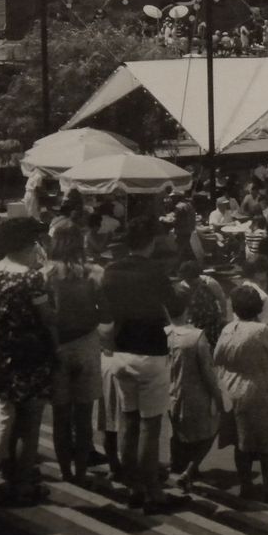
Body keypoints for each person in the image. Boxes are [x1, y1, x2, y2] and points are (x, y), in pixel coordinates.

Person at [101, 216, 182, 512]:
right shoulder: (155, 272)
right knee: (151, 426)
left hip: (120, 353)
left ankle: (133, 486)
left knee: (129, 422)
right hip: (150, 352)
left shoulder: (110, 272)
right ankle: (152, 490)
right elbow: (174, 307)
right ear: (150, 243)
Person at [0, 216, 57, 505]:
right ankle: (23, 483)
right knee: (29, 422)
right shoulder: (31, 277)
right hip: (30, 356)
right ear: (25, 243)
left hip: (1, 353)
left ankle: (9, 475)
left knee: (7, 411)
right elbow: (46, 318)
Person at [42, 217, 106, 485]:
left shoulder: (45, 274)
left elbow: (44, 315)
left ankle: (65, 472)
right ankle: (81, 470)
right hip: (87, 342)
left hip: (57, 345)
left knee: (60, 415)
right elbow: (104, 310)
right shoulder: (94, 272)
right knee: (83, 414)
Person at [215, 282, 268, 499]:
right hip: (258, 390)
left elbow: (217, 356)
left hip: (232, 389)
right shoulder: (261, 331)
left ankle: (246, 484)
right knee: (267, 443)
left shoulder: (228, 329)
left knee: (242, 443)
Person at [165, 283, 221, 491]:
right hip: (195, 394)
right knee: (211, 429)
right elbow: (207, 373)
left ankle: (177, 466)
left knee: (178, 433)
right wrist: (217, 396)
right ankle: (190, 469)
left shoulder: (164, 334)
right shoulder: (196, 337)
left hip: (170, 393)